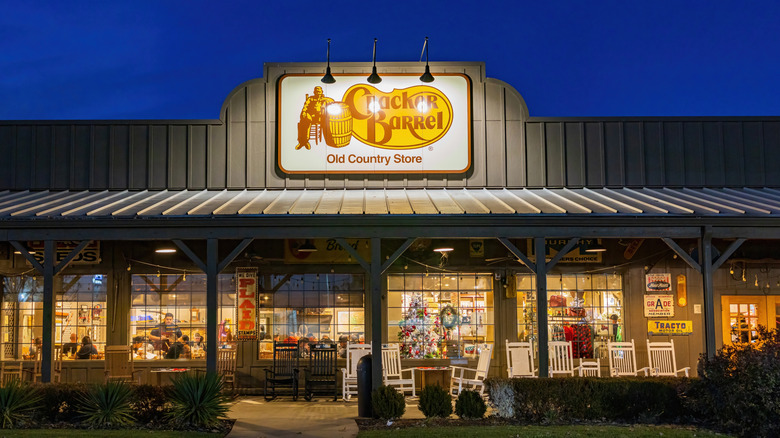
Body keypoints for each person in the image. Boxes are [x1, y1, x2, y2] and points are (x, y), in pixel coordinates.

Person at [295, 86, 334, 150]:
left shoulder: (325, 99)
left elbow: (332, 102)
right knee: (303, 122)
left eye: (319, 91)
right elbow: (305, 107)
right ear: (314, 92)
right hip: (310, 116)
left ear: (322, 92)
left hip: (320, 118)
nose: (318, 93)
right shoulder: (310, 99)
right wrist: (304, 113)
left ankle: (304, 142)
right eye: (316, 91)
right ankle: (303, 142)